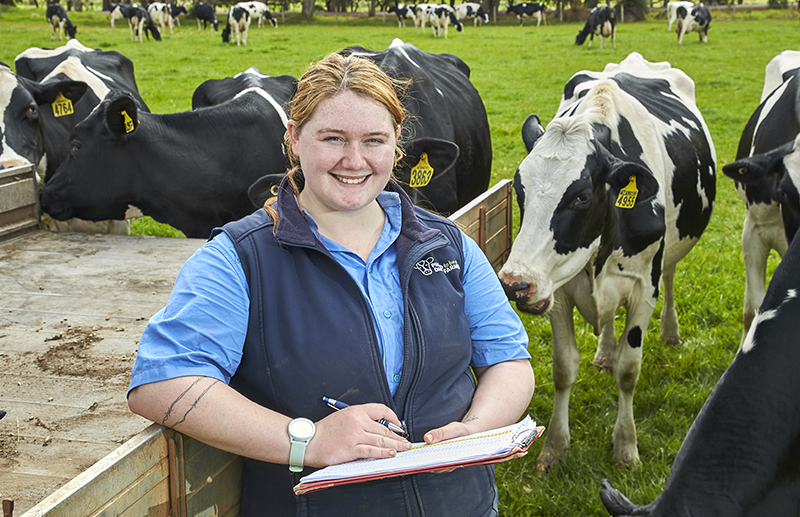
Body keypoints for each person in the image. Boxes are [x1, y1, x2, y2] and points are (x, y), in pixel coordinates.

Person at [127, 51, 534, 516]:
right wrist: (310, 439)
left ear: (397, 143)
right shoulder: (241, 258)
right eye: (333, 138)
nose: (354, 160)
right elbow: (163, 383)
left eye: (374, 140)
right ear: (294, 139)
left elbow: (509, 360)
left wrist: (475, 429)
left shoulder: (447, 246)